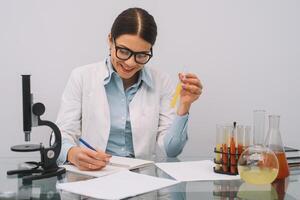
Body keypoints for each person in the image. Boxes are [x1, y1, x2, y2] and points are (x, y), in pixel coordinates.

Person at [56, 7, 203, 171]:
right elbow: (61, 136)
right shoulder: (81, 77)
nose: (131, 63)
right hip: (94, 177)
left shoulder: (161, 82)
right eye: (124, 51)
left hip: (142, 180)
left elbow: (172, 150)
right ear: (110, 40)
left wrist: (184, 106)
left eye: (141, 55)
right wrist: (72, 153)